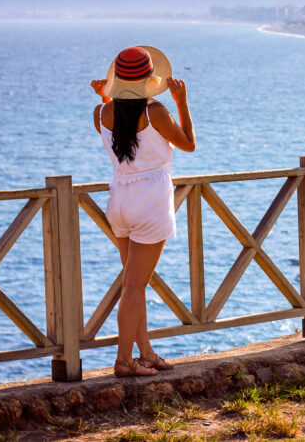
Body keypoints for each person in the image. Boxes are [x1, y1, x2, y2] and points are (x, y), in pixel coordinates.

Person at [90, 46, 195, 377]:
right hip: (150, 202)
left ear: (117, 80)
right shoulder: (157, 112)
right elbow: (188, 144)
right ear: (150, 79)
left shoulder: (100, 113)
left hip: (119, 202)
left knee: (134, 283)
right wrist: (181, 101)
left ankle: (145, 353)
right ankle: (123, 361)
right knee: (134, 286)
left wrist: (105, 97)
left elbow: (118, 125)